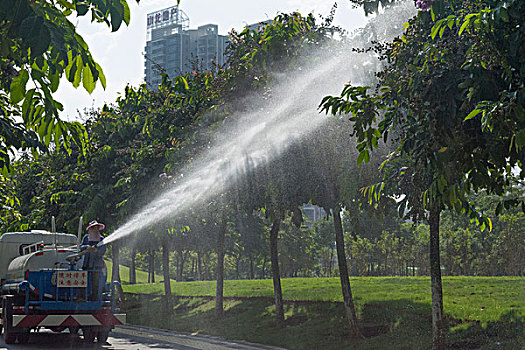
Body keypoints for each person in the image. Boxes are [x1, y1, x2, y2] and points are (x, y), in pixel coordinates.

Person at [80, 220, 107, 300]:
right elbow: (80, 248)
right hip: (87, 264)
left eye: (97, 228)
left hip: (96, 265)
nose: (95, 230)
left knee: (95, 283)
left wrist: (96, 251)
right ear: (90, 229)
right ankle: (83, 297)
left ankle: (94, 298)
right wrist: (86, 247)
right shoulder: (86, 238)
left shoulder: (101, 239)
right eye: (94, 228)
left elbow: (103, 251)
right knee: (83, 282)